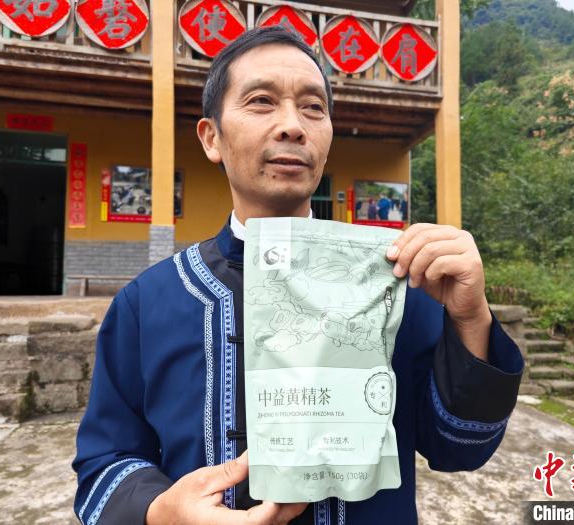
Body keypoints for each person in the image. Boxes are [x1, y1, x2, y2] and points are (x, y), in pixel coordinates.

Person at [72, 27, 523, 525]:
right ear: (212, 138)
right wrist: (160, 511)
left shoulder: (396, 285)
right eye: (261, 101)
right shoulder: (148, 303)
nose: (292, 126)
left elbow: (461, 446)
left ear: (328, 138)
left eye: (313, 108)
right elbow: (105, 462)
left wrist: (470, 318)